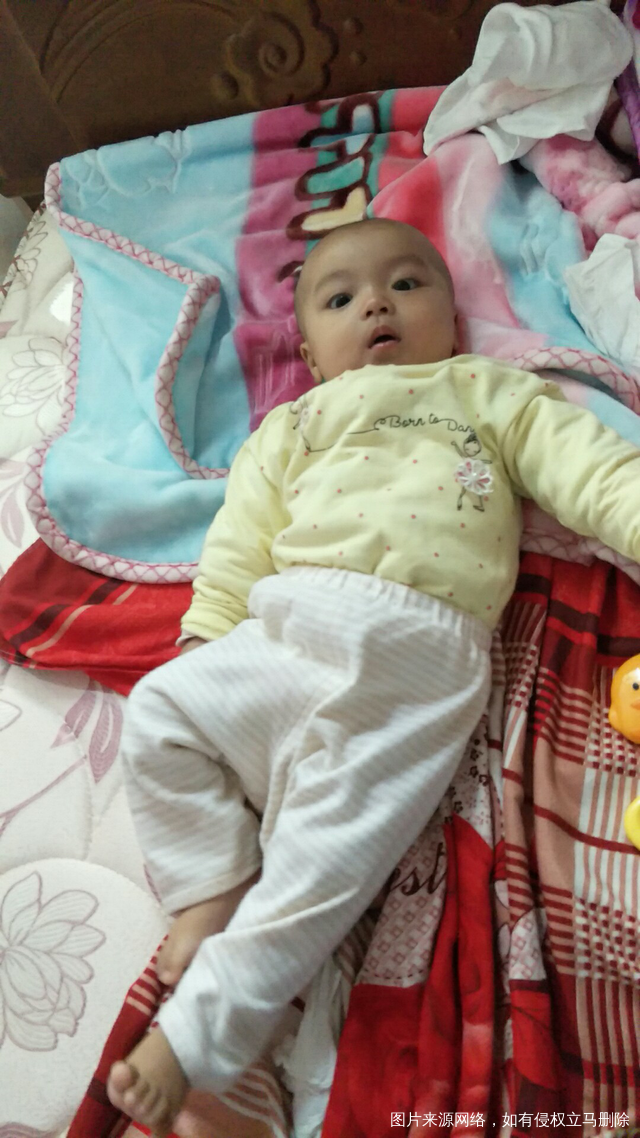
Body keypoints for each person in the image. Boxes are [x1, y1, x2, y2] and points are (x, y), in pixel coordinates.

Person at [107, 218, 640, 1134]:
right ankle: (210, 886)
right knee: (159, 713)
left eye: (407, 283)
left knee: (320, 862)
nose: (377, 305)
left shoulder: (484, 391)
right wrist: (210, 651)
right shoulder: (290, 428)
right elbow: (235, 554)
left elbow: (594, 475)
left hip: (417, 646)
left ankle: (199, 1047)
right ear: (311, 354)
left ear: (454, 321)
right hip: (292, 623)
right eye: (341, 297)